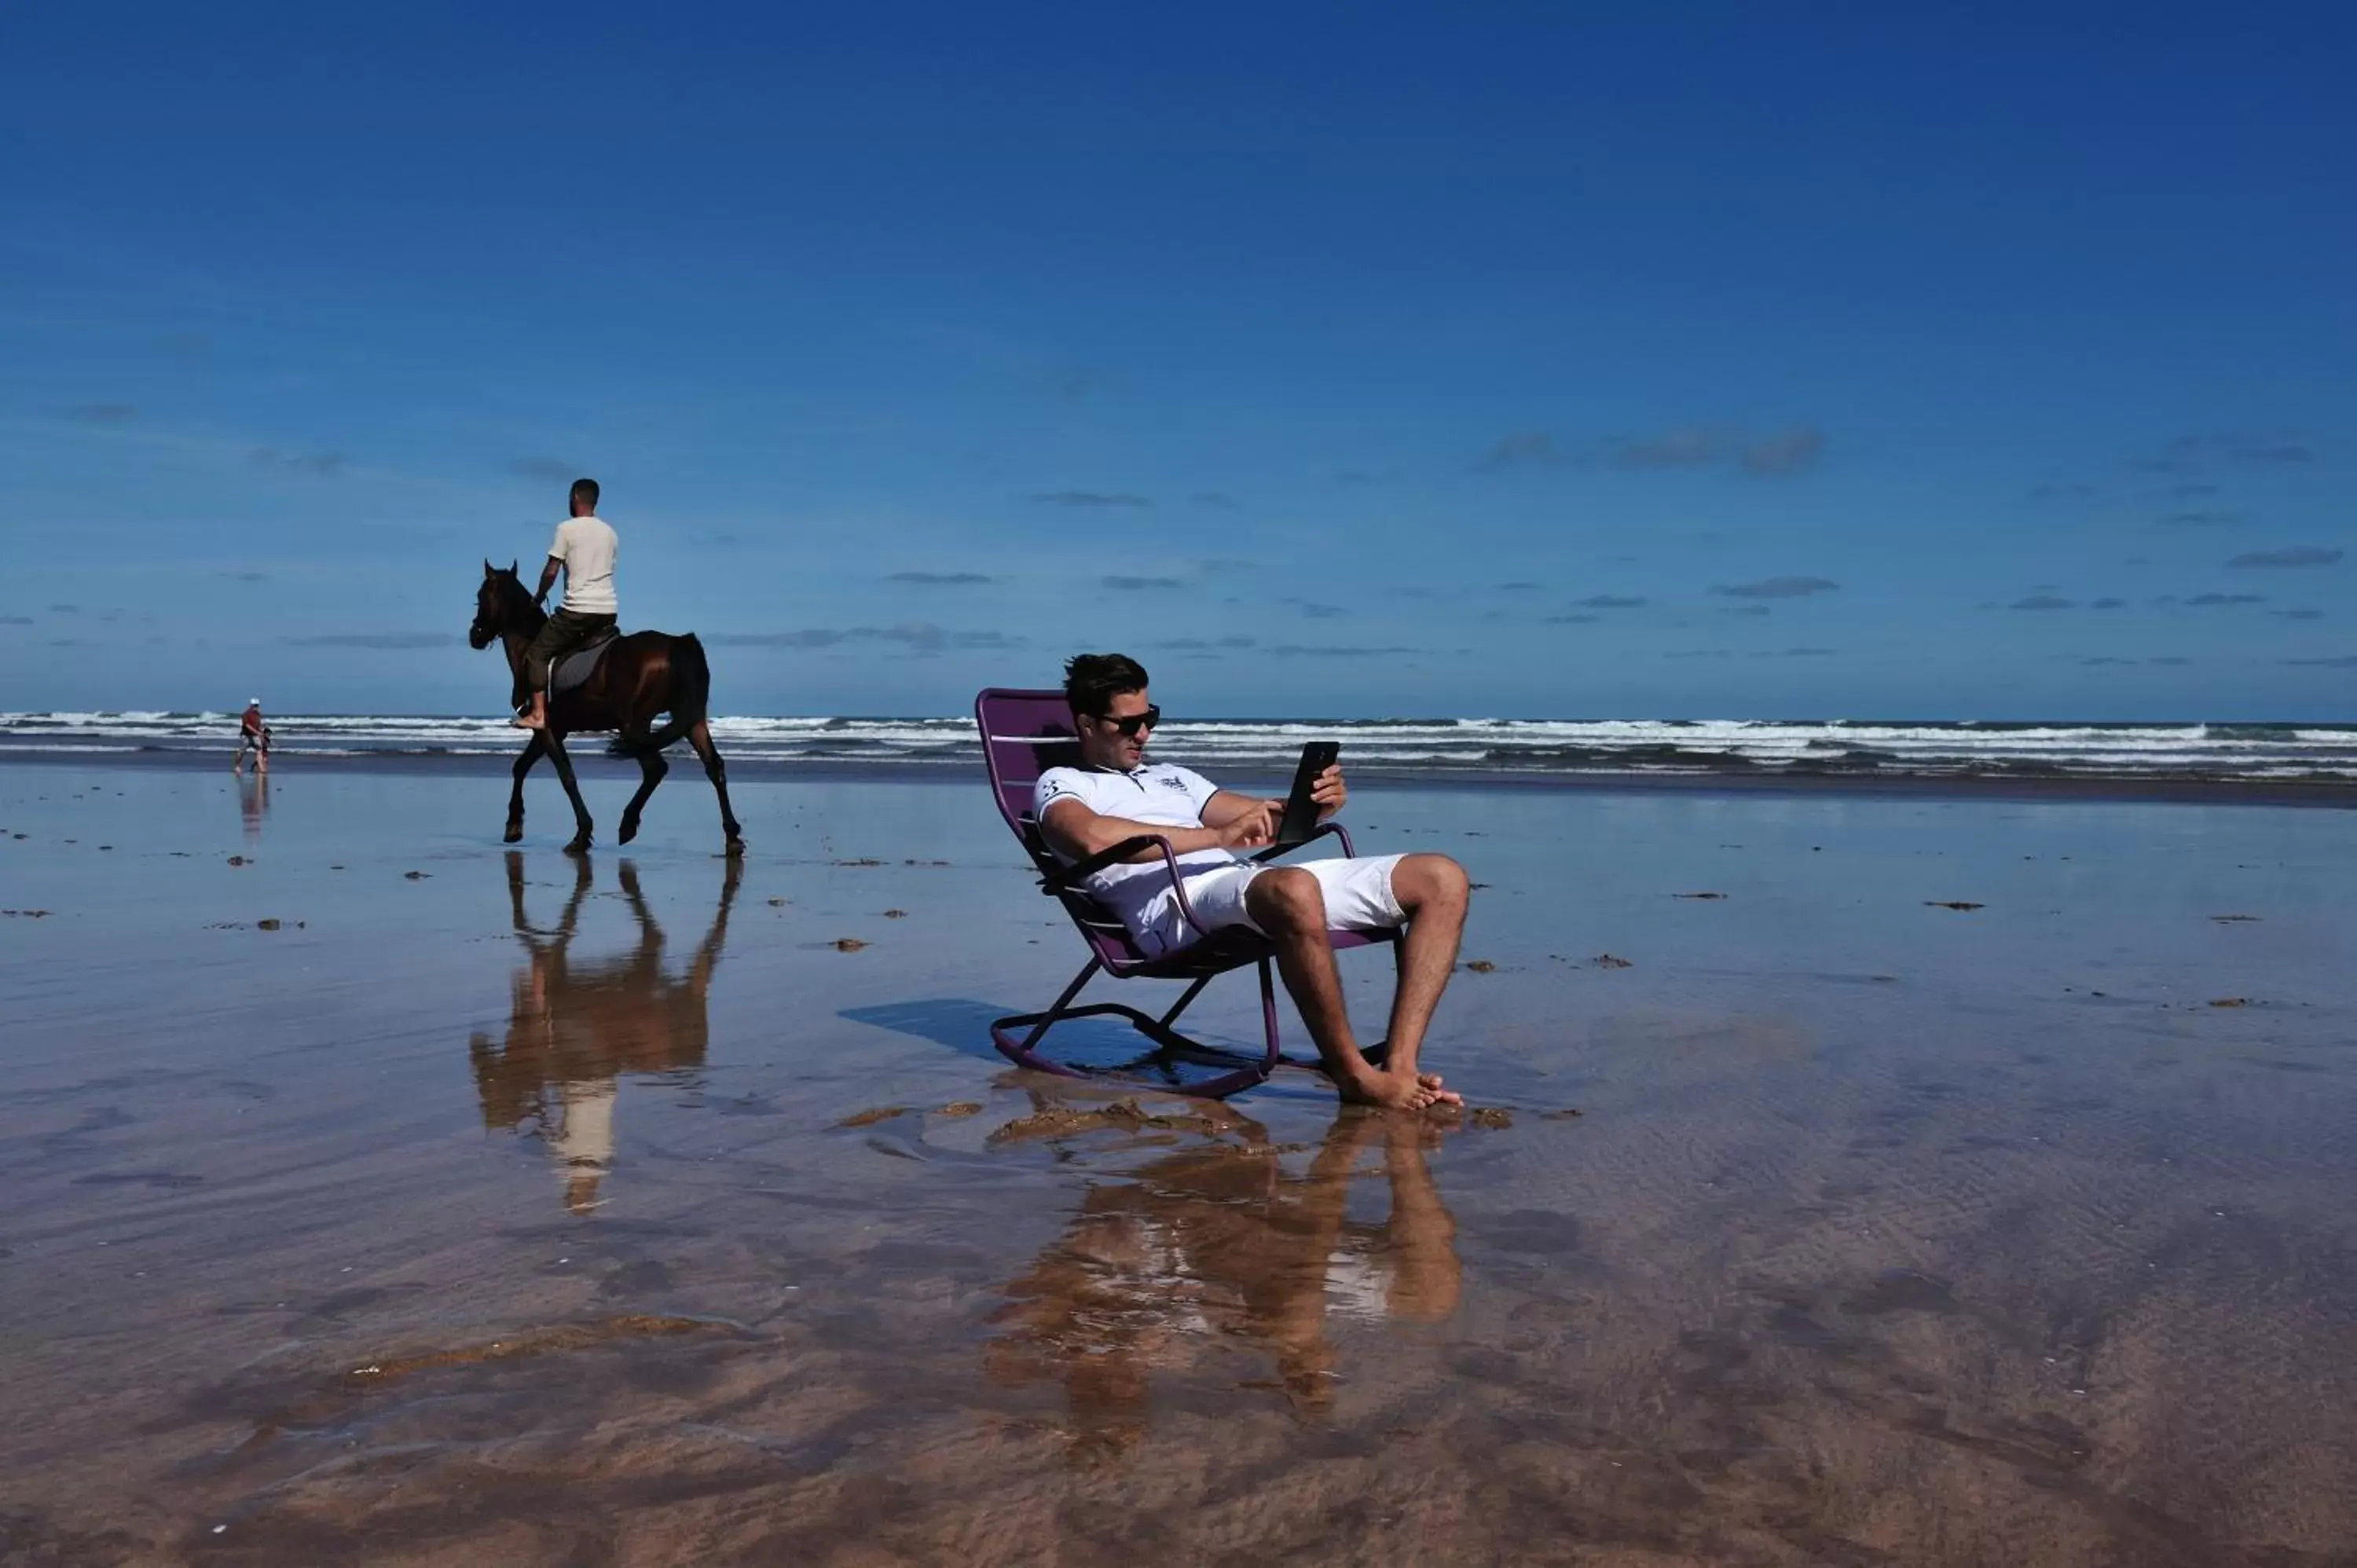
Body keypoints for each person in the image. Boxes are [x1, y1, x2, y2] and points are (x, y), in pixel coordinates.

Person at [1034, 653, 1472, 1110]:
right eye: (1127, 725)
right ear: (1086, 724)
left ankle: (1401, 1065)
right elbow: (1088, 836)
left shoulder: (1174, 778)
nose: (1143, 734)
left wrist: (1317, 805)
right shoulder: (1062, 782)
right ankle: (1352, 1075)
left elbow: (1261, 821)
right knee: (1291, 889)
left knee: (1441, 877)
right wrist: (1215, 837)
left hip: (1244, 885)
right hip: (1173, 910)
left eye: (1150, 718)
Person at [511, 478, 618, 731]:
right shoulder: (610, 533)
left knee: (537, 654)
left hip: (577, 611)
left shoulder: (566, 529)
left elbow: (551, 571)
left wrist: (538, 597)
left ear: (574, 498)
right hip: (608, 612)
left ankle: (539, 714)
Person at [233, 698, 271, 775]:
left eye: (257, 705)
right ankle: (237, 766)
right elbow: (247, 725)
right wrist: (257, 732)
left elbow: (259, 725)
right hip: (246, 736)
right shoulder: (246, 714)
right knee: (242, 752)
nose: (256, 707)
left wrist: (261, 733)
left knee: (259, 750)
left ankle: (261, 768)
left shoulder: (258, 714)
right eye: (254, 705)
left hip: (255, 736)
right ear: (251, 705)